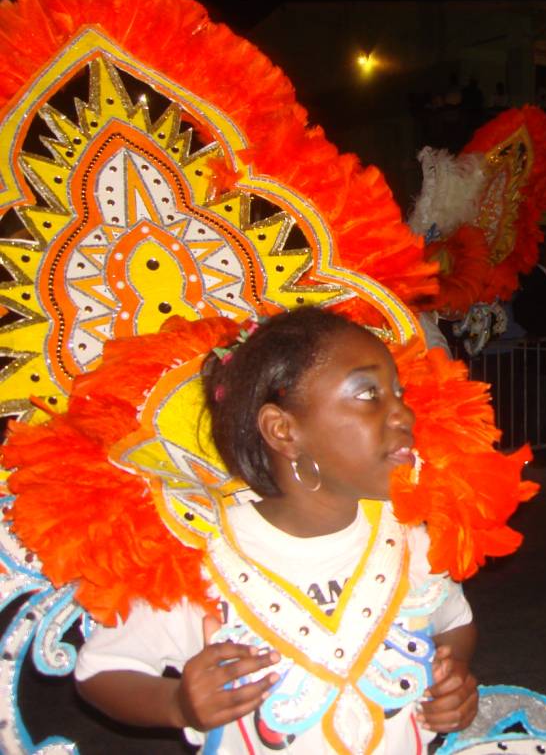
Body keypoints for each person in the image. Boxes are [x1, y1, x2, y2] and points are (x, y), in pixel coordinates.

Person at [74, 307, 478, 754]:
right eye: (368, 394)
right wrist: (177, 705)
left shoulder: (410, 537)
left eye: (397, 392)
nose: (403, 413)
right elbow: (102, 671)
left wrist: (453, 678)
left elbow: (454, 622)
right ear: (283, 430)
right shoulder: (199, 559)